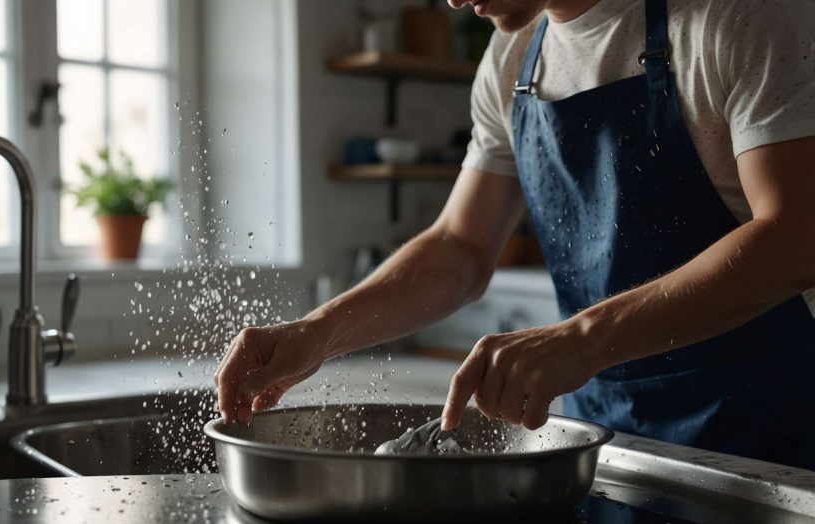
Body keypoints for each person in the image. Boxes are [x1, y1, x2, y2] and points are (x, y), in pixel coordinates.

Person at [215, 0, 815, 469]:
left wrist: (582, 338)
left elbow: (797, 235)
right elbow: (460, 247)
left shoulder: (738, 16)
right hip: (607, 444)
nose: (451, 2)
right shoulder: (512, 59)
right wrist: (317, 334)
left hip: (770, 446)